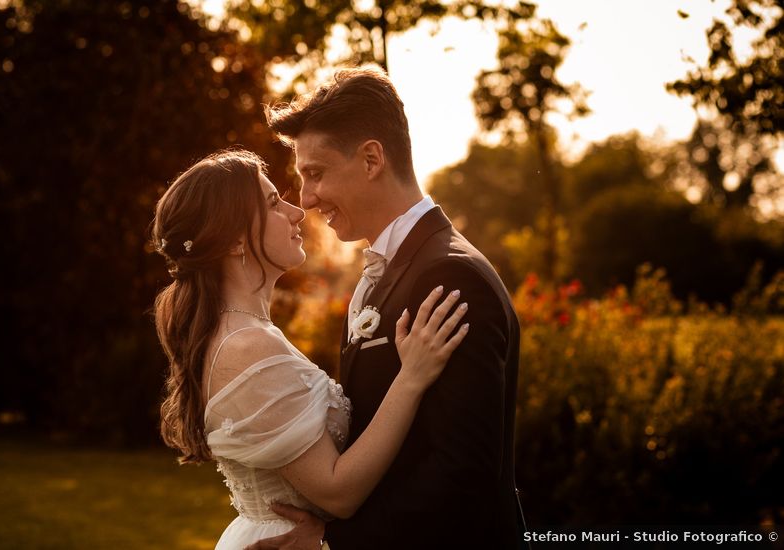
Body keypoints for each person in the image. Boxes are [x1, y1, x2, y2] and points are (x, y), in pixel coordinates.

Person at [250, 66, 528, 549]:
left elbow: (463, 476)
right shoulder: (390, 269)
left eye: (315, 173)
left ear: (372, 158)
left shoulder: (450, 276)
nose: (307, 199)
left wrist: (337, 541)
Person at [151, 149, 471, 550]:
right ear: (234, 240)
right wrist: (411, 377)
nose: (296, 211)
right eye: (272, 203)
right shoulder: (247, 346)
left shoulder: (248, 333)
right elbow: (338, 492)